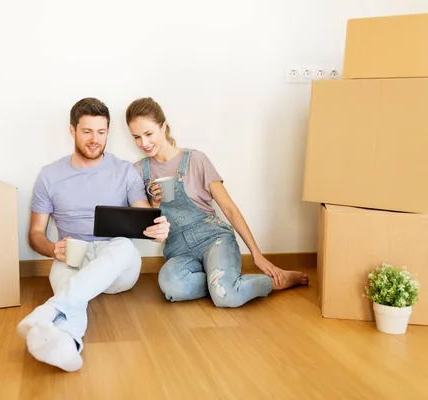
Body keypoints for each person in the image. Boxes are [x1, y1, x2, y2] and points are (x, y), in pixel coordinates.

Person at [17, 97, 170, 372]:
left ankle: (49, 310)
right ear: (73, 131)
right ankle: (68, 344)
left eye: (101, 132)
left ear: (108, 132)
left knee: (123, 247)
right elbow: (36, 233)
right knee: (73, 292)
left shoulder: (125, 171)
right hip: (71, 256)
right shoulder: (49, 176)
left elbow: (145, 218)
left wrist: (158, 228)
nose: (94, 139)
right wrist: (53, 250)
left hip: (116, 265)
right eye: (87, 131)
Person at [125, 97, 308, 309]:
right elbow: (149, 227)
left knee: (226, 297)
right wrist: (155, 202)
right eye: (136, 137)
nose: (144, 143)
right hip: (177, 248)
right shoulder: (139, 170)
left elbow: (229, 209)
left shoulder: (196, 159)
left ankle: (275, 282)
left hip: (214, 238)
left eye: (149, 134)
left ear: (163, 127)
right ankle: (222, 281)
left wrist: (257, 255)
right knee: (172, 287)